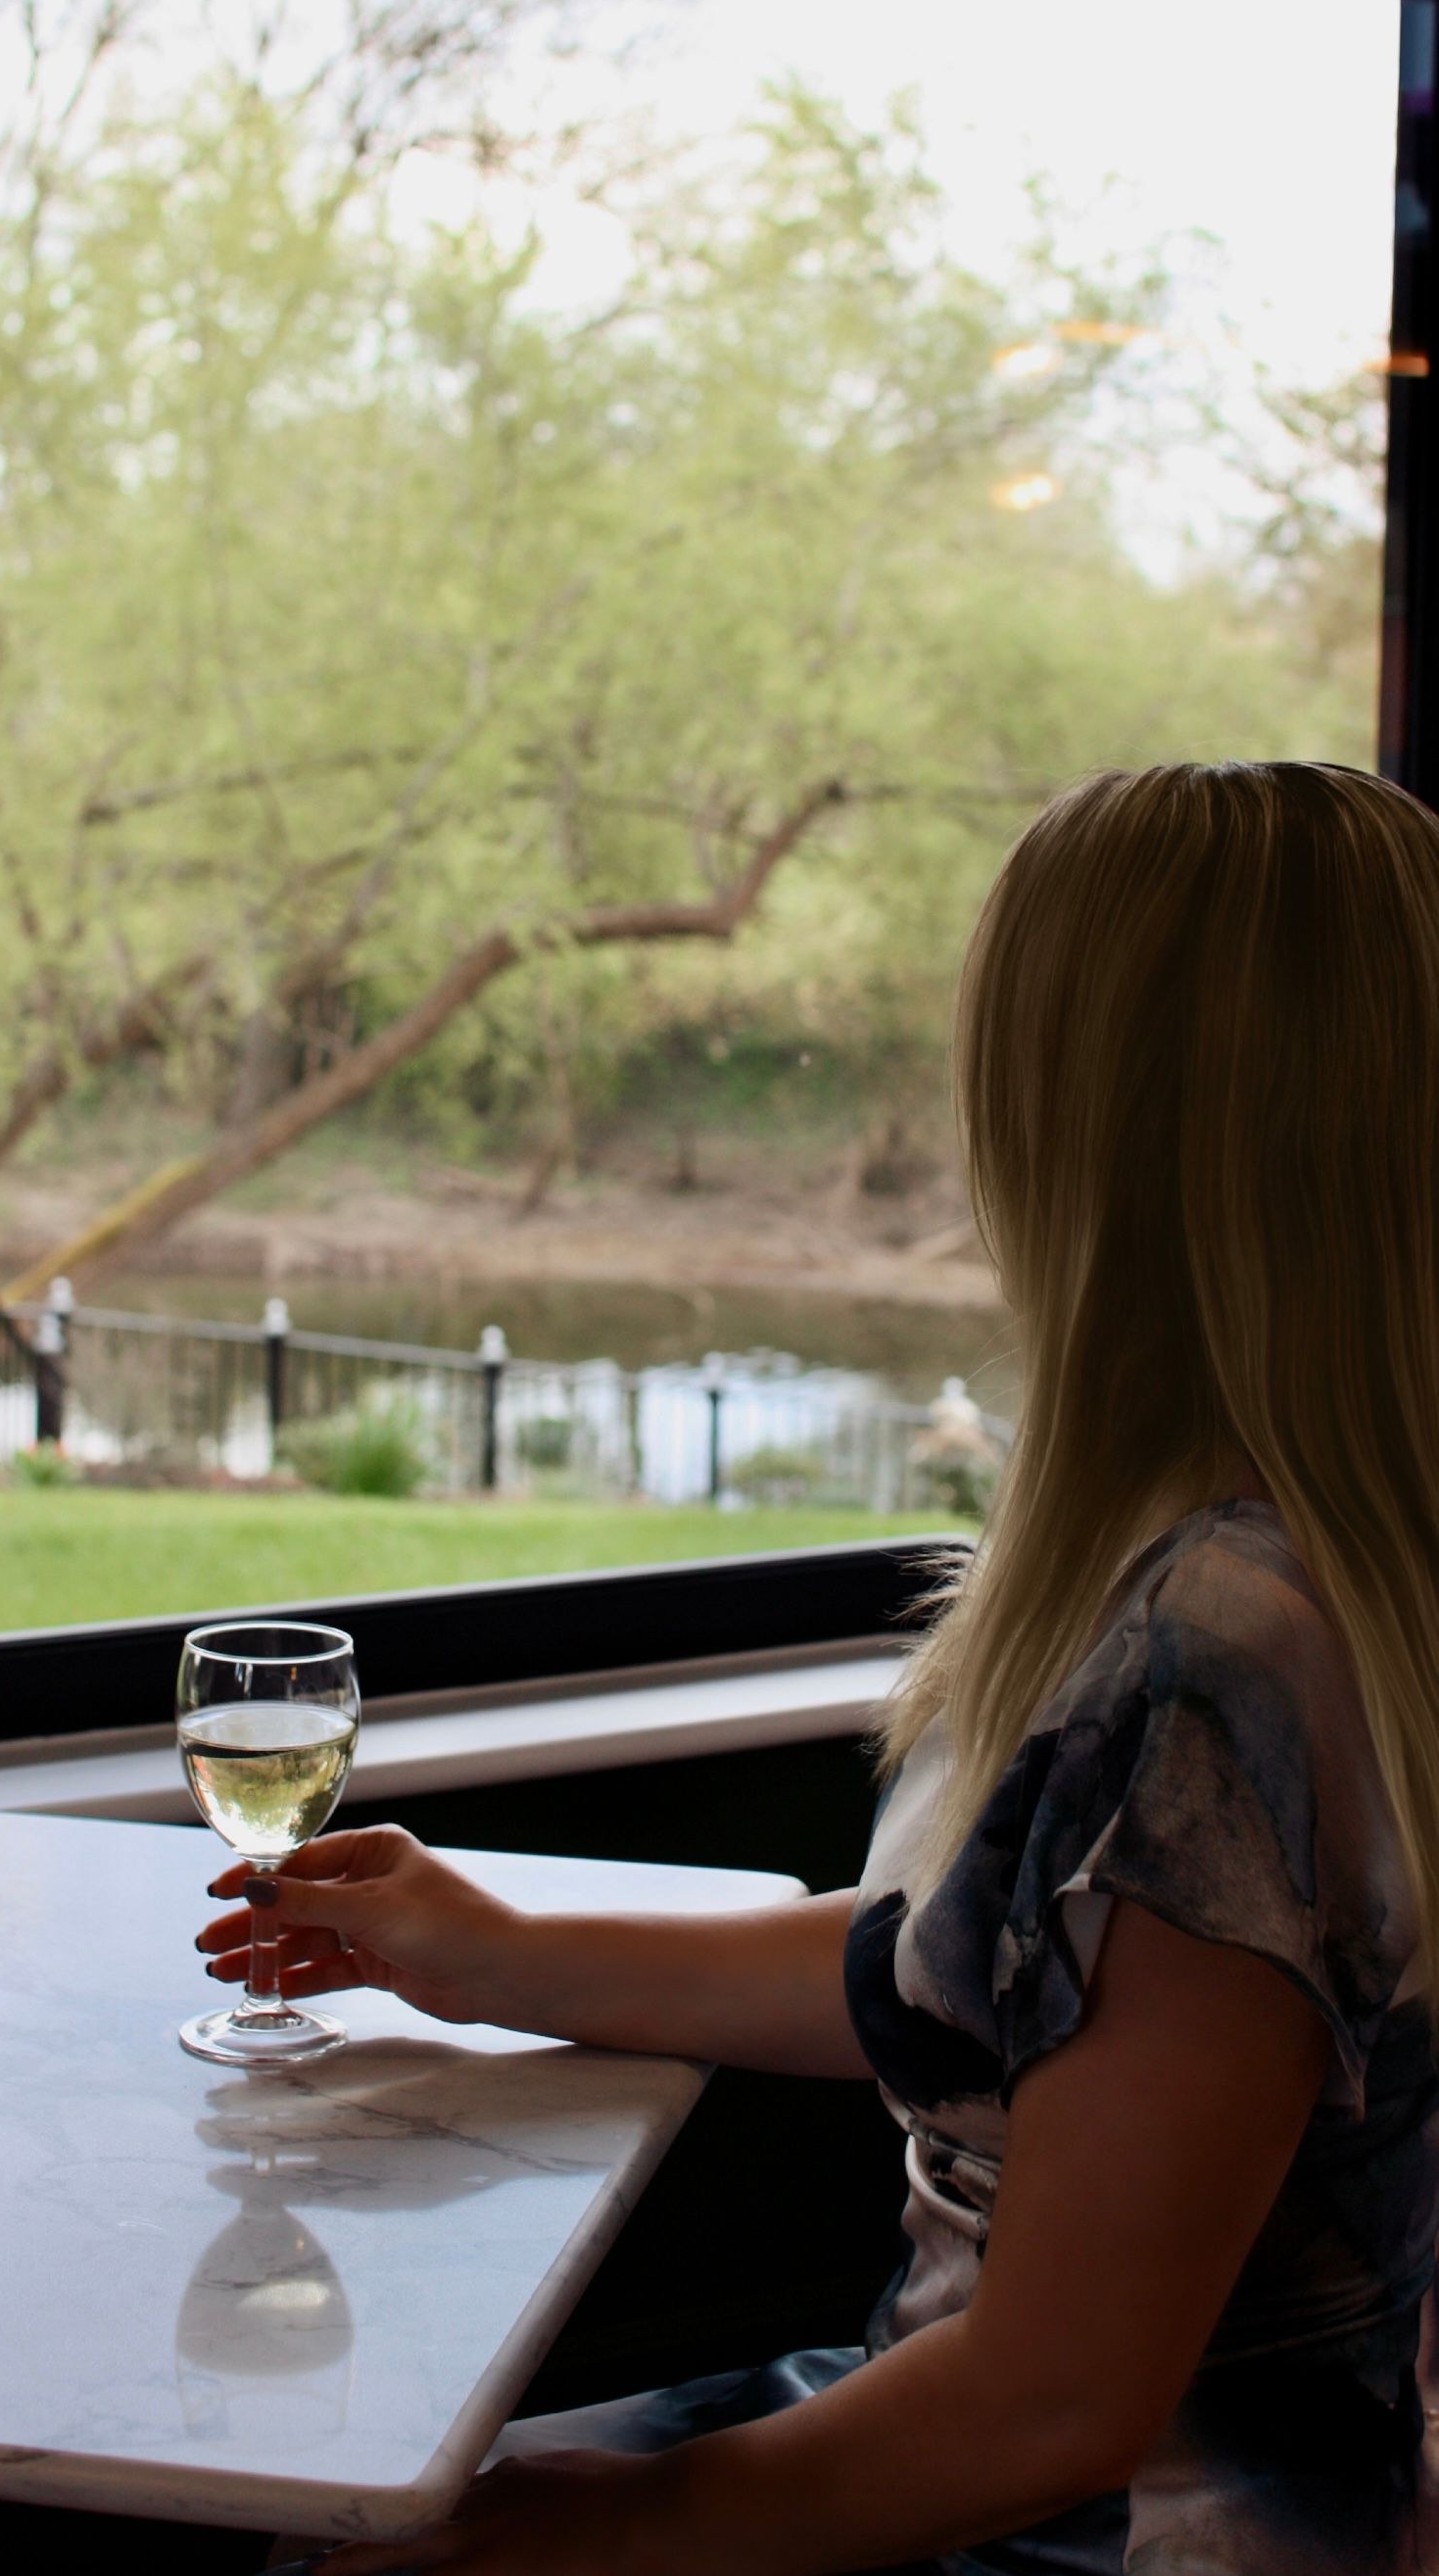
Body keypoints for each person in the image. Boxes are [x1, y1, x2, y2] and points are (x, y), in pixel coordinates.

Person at [197, 761, 1439, 2575]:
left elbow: (1050, 2404)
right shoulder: (1267, 1562)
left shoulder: (1225, 1658)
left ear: (1099, 1127)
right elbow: (1003, 1987)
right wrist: (501, 1956)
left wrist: (607, 2528)